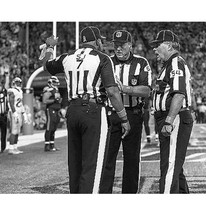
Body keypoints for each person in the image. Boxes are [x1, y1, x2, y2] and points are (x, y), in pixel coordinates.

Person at [40, 26, 130, 193]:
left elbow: (46, 65)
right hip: (93, 110)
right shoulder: (102, 58)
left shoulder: (67, 57)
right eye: (100, 40)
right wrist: (123, 117)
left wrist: (49, 48)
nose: (102, 43)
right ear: (96, 41)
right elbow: (111, 91)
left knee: (75, 164)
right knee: (93, 165)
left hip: (73, 110)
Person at [99, 30, 152, 193]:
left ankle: (129, 194)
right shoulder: (106, 61)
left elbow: (147, 90)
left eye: (122, 45)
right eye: (115, 45)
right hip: (111, 114)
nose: (118, 48)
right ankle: (104, 193)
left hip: (133, 113)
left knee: (131, 158)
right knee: (107, 157)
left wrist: (126, 89)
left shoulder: (141, 63)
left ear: (130, 45)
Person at [150, 30, 194, 193]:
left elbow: (179, 94)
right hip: (171, 116)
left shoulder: (175, 63)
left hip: (173, 117)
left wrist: (169, 120)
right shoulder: (170, 64)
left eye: (157, 45)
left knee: (169, 166)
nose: (154, 49)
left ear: (168, 45)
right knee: (175, 166)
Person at [7, 77, 28, 155]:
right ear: (14, 83)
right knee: (14, 131)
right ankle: (11, 148)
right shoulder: (12, 91)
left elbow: (20, 104)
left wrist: (24, 113)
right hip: (13, 112)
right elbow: (11, 103)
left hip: (19, 111)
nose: (19, 84)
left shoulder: (20, 91)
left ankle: (15, 147)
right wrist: (14, 112)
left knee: (18, 131)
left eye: (19, 82)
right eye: (17, 82)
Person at [42, 76, 62, 152]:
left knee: (54, 127)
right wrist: (54, 100)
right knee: (49, 127)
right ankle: (47, 145)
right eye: (55, 82)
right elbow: (44, 100)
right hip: (50, 109)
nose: (56, 84)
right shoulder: (48, 90)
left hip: (56, 110)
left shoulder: (56, 90)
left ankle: (52, 145)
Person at [0, 76, 9, 153]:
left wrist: (7, 111)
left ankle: (3, 147)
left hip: (3, 115)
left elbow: (7, 102)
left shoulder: (5, 91)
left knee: (3, 132)